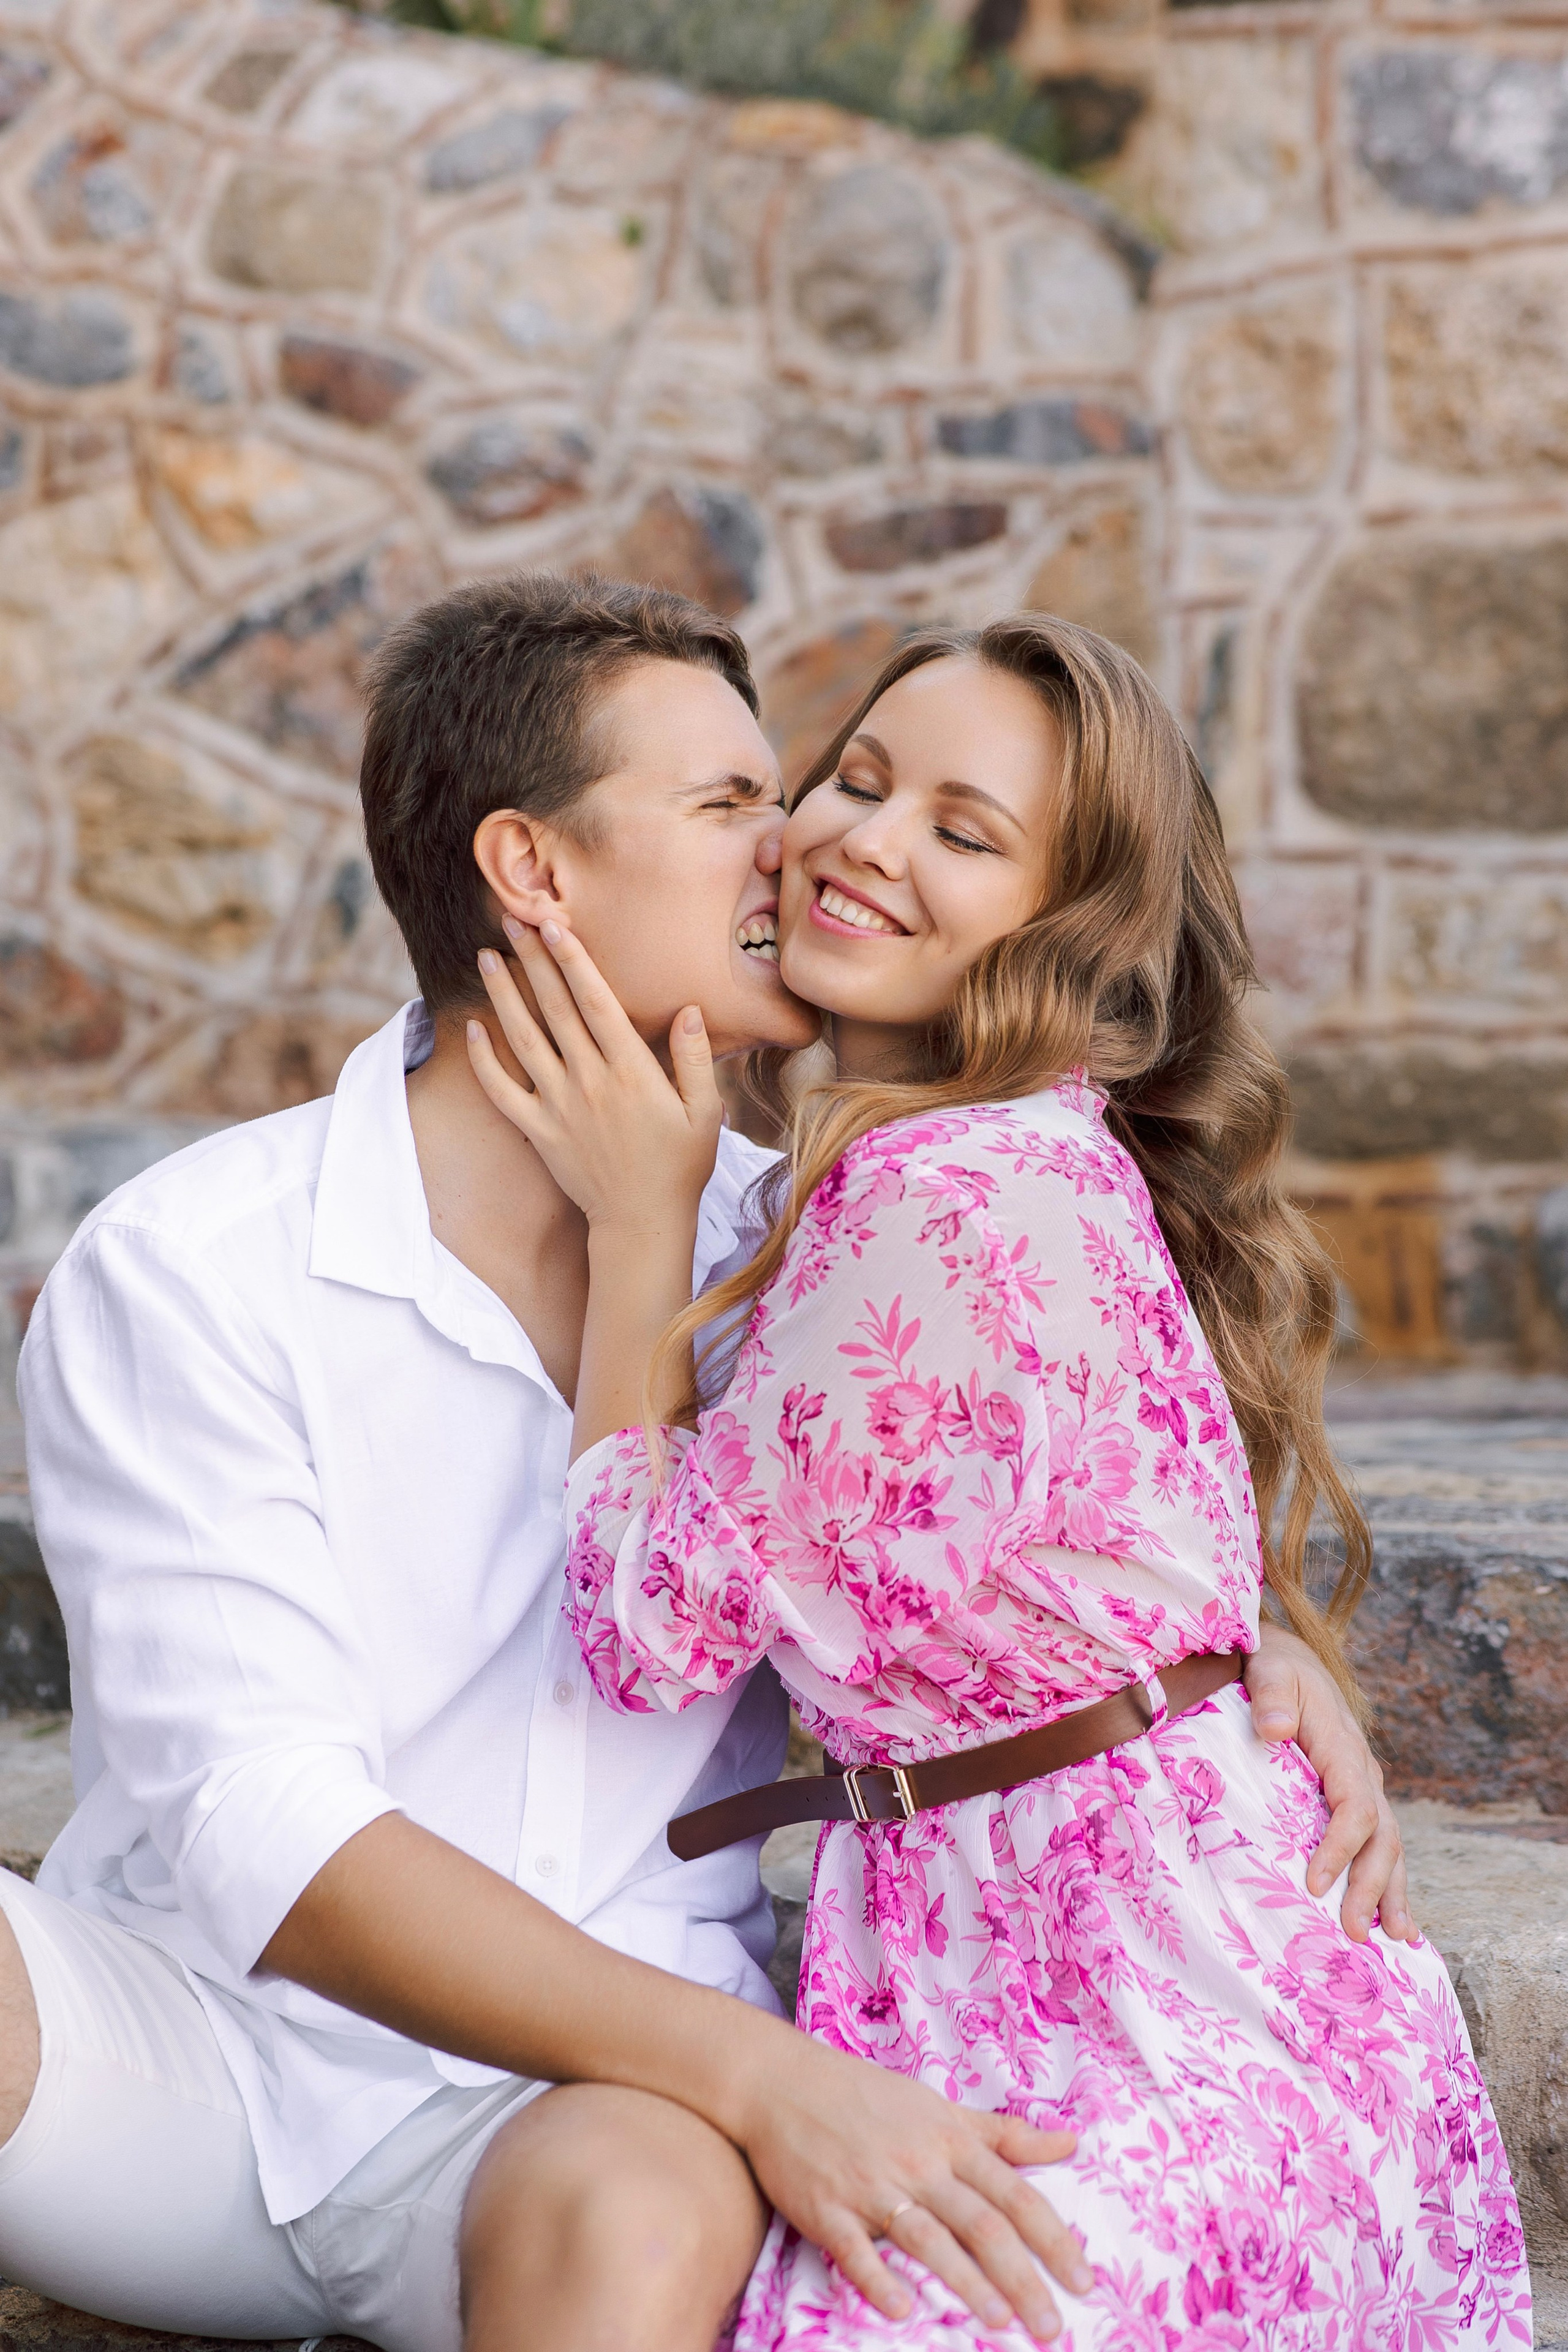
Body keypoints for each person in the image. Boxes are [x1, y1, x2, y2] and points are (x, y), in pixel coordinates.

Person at [8, 576, 1409, 2352]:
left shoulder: (806, 1259)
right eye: (735, 803)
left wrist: (1240, 1660)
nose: (804, 845)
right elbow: (263, 1836)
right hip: (195, 2069)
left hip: (606, 2104)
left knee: (642, 2199)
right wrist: (772, 2078)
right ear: (533, 871)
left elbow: (1037, 1517)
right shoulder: (196, 1257)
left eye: (790, 788)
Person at [465, 610, 1531, 2347]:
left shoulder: (942, 1196)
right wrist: (1268, 1641)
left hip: (1163, 2013)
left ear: (1065, 928)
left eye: (962, 834)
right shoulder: (988, 1148)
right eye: (858, 779)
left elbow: (647, 1627)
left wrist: (637, 1221)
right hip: (1076, 1960)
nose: (866, 843)